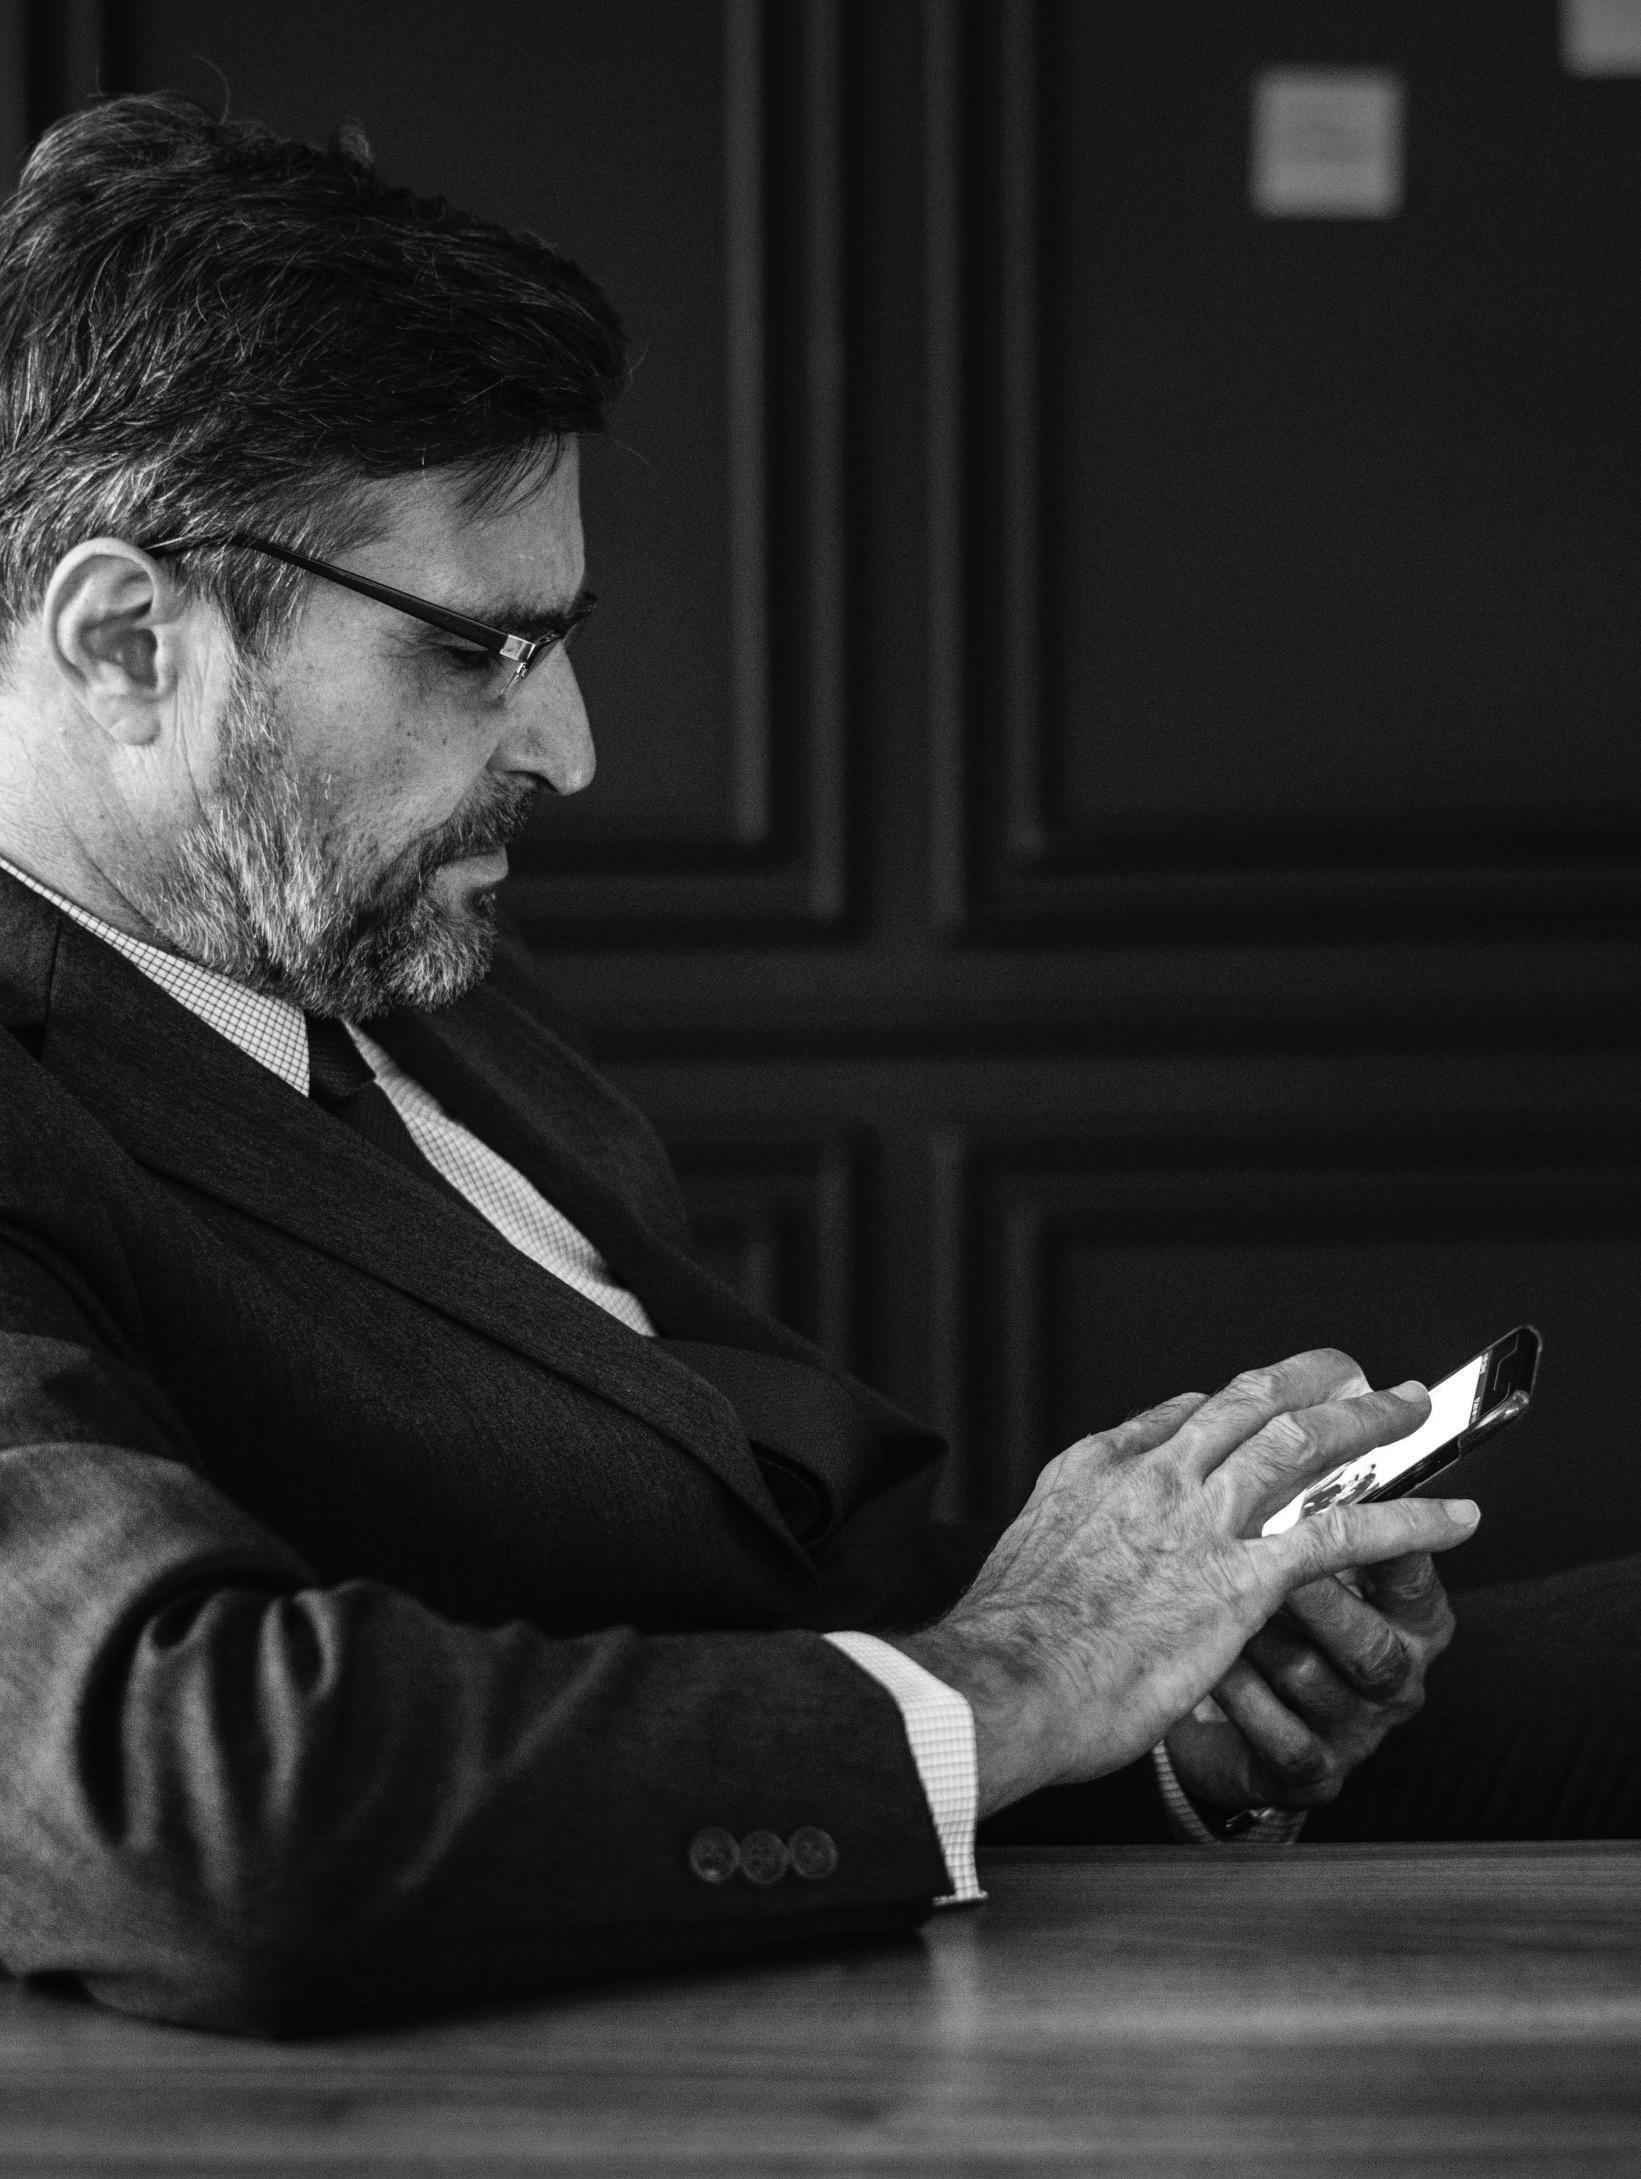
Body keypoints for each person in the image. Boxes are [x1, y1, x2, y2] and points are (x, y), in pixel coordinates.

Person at [0, 96, 1633, 2040]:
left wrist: (1174, 1698)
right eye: (475, 651)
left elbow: (789, 1590)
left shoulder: (390, 962)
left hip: (933, 1873)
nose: (573, 749)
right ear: (126, 639)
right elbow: (199, 1808)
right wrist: (1029, 1669)